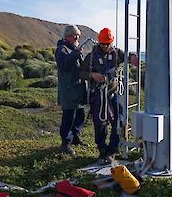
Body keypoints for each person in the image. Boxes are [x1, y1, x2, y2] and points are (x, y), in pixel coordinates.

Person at [80, 28, 137, 164]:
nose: (105, 47)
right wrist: (92, 75)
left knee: (120, 120)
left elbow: (128, 57)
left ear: (111, 42)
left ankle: (112, 150)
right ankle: (102, 150)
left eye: (107, 44)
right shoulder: (92, 56)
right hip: (98, 93)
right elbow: (80, 72)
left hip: (113, 93)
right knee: (100, 122)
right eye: (102, 44)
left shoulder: (117, 53)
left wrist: (133, 57)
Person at [55, 25, 88, 155]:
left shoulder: (73, 49)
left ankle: (75, 137)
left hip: (78, 90)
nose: (77, 37)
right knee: (68, 118)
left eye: (78, 35)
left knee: (80, 115)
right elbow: (64, 65)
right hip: (69, 91)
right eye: (75, 35)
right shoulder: (61, 49)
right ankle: (65, 144)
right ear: (68, 36)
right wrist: (76, 53)